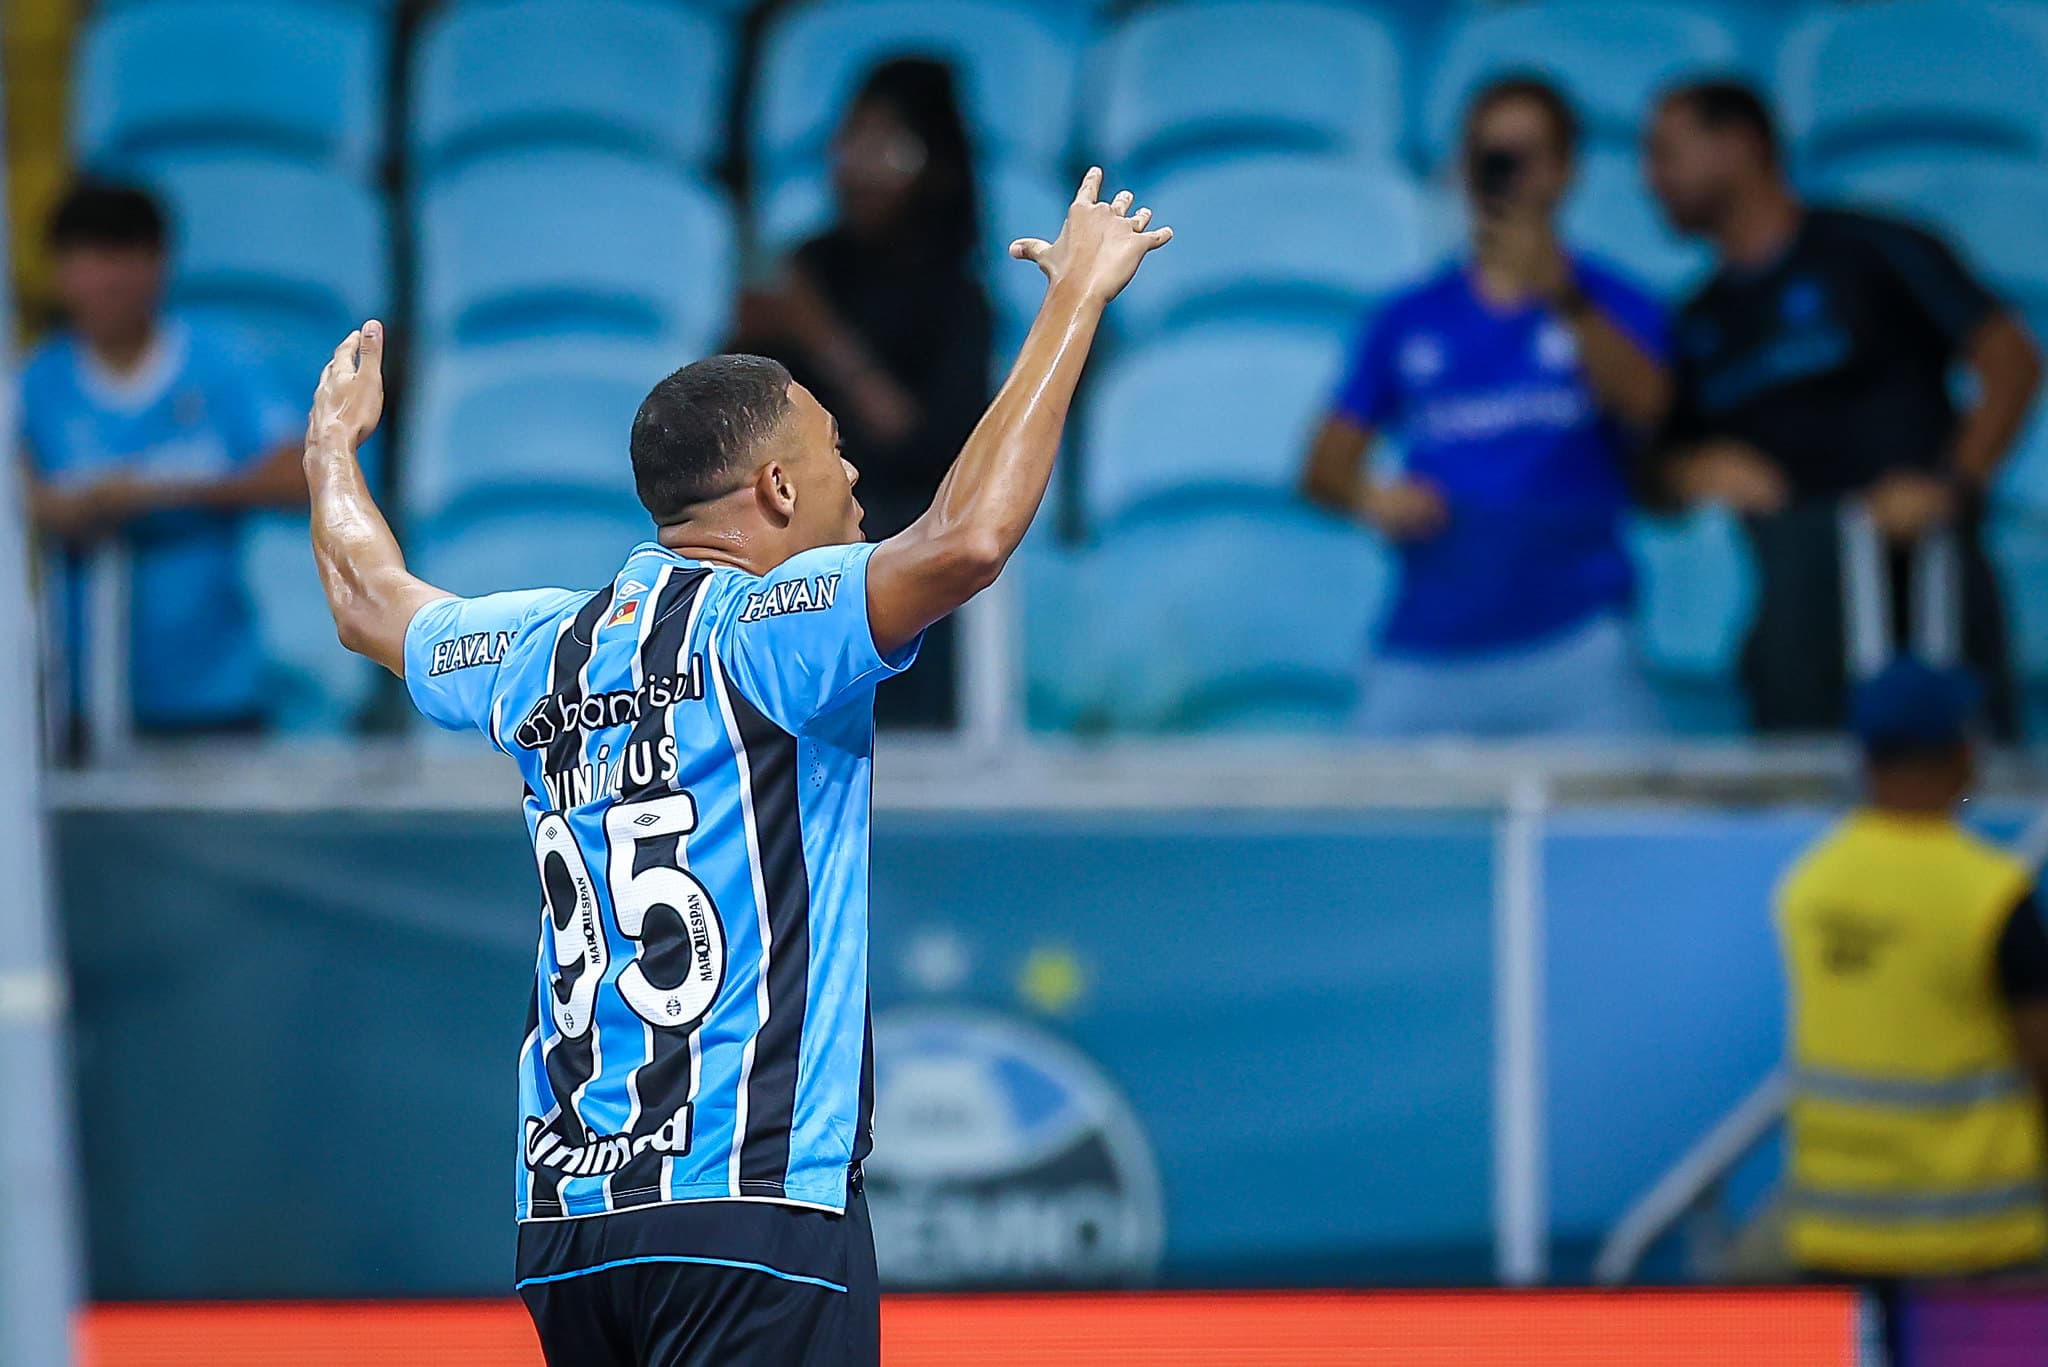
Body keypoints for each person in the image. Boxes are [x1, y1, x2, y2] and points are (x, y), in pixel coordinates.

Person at [301, 170, 1169, 1365]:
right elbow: (966, 539)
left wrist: (331, 455)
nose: (855, 481)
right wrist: (1074, 297)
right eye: (832, 455)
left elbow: (366, 601)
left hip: (571, 1221)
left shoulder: (536, 646)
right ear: (771, 488)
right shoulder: (770, 627)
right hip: (751, 1202)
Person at [1645, 81, 2042, 736]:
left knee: (1960, 788)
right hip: (1799, 602)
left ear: (1738, 145)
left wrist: (1949, 485)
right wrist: (1692, 471)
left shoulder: (1871, 248)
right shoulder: (1699, 318)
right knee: (1801, 795)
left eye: (1666, 153)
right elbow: (1655, 471)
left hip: (1924, 579)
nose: (1650, 180)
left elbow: (2010, 360)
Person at [1301, 77, 1671, 738]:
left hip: (1578, 643)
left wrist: (1562, 297)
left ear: (1565, 170)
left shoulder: (1616, 303)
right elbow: (1322, 466)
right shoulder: (1408, 318)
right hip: (1430, 644)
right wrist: (1372, 496)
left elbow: (1652, 408)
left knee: (1634, 825)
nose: (1502, 176)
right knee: (1357, 827)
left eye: (1522, 156)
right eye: (1485, 157)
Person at [1775, 658, 2048, 1352]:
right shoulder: (1988, 892)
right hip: (1974, 1230)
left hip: (1836, 1223)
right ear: (1964, 754)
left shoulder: (1811, 884)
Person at [734, 57, 994, 730]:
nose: (859, 165)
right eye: (851, 141)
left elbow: (928, 451)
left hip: (908, 566)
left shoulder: (959, 301)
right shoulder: (807, 268)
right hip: (793, 562)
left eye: (888, 147)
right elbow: (735, 435)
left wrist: (824, 340)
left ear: (934, 163)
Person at [19, 180, 306, 742]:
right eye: (92, 259)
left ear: (161, 265)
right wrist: (53, 507)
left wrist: (162, 492)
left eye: (128, 257)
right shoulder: (34, 383)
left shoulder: (222, 364)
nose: (111, 281)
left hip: (212, 696)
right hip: (70, 701)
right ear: (60, 272)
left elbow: (303, 476)